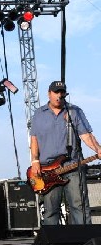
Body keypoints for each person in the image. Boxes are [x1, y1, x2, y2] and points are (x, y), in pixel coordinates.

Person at [30, 81, 101, 225]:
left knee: (79, 206)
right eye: (56, 92)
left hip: (72, 165)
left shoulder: (74, 111)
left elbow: (86, 135)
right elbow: (34, 138)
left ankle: (83, 242)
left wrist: (98, 149)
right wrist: (34, 161)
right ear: (49, 93)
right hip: (47, 169)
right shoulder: (39, 114)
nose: (59, 95)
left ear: (65, 94)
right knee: (50, 210)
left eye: (61, 92)